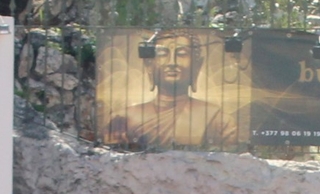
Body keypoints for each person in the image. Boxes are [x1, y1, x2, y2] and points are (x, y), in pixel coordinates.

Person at [101, 31, 241, 150]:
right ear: (150, 65)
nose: (172, 62)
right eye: (162, 54)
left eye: (181, 54)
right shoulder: (122, 119)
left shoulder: (218, 119)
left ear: (197, 65)